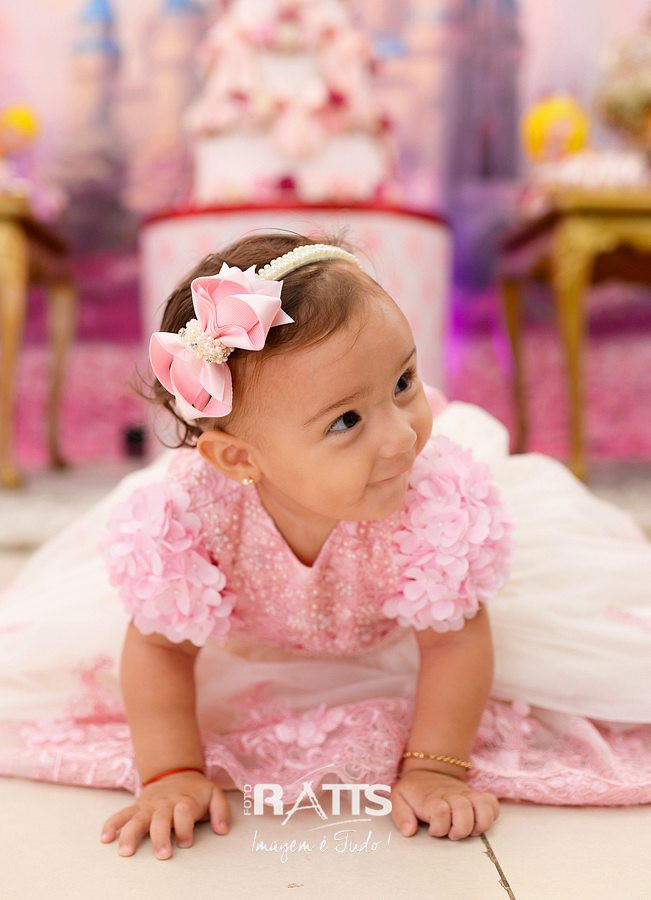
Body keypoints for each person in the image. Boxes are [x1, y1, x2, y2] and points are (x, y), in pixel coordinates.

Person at [0, 233, 649, 862]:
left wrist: (436, 768)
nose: (400, 438)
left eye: (403, 383)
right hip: (258, 624)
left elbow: (452, 643)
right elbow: (160, 649)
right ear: (239, 459)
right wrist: (171, 771)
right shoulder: (192, 518)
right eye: (346, 420)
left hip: (387, 619)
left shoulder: (430, 499)